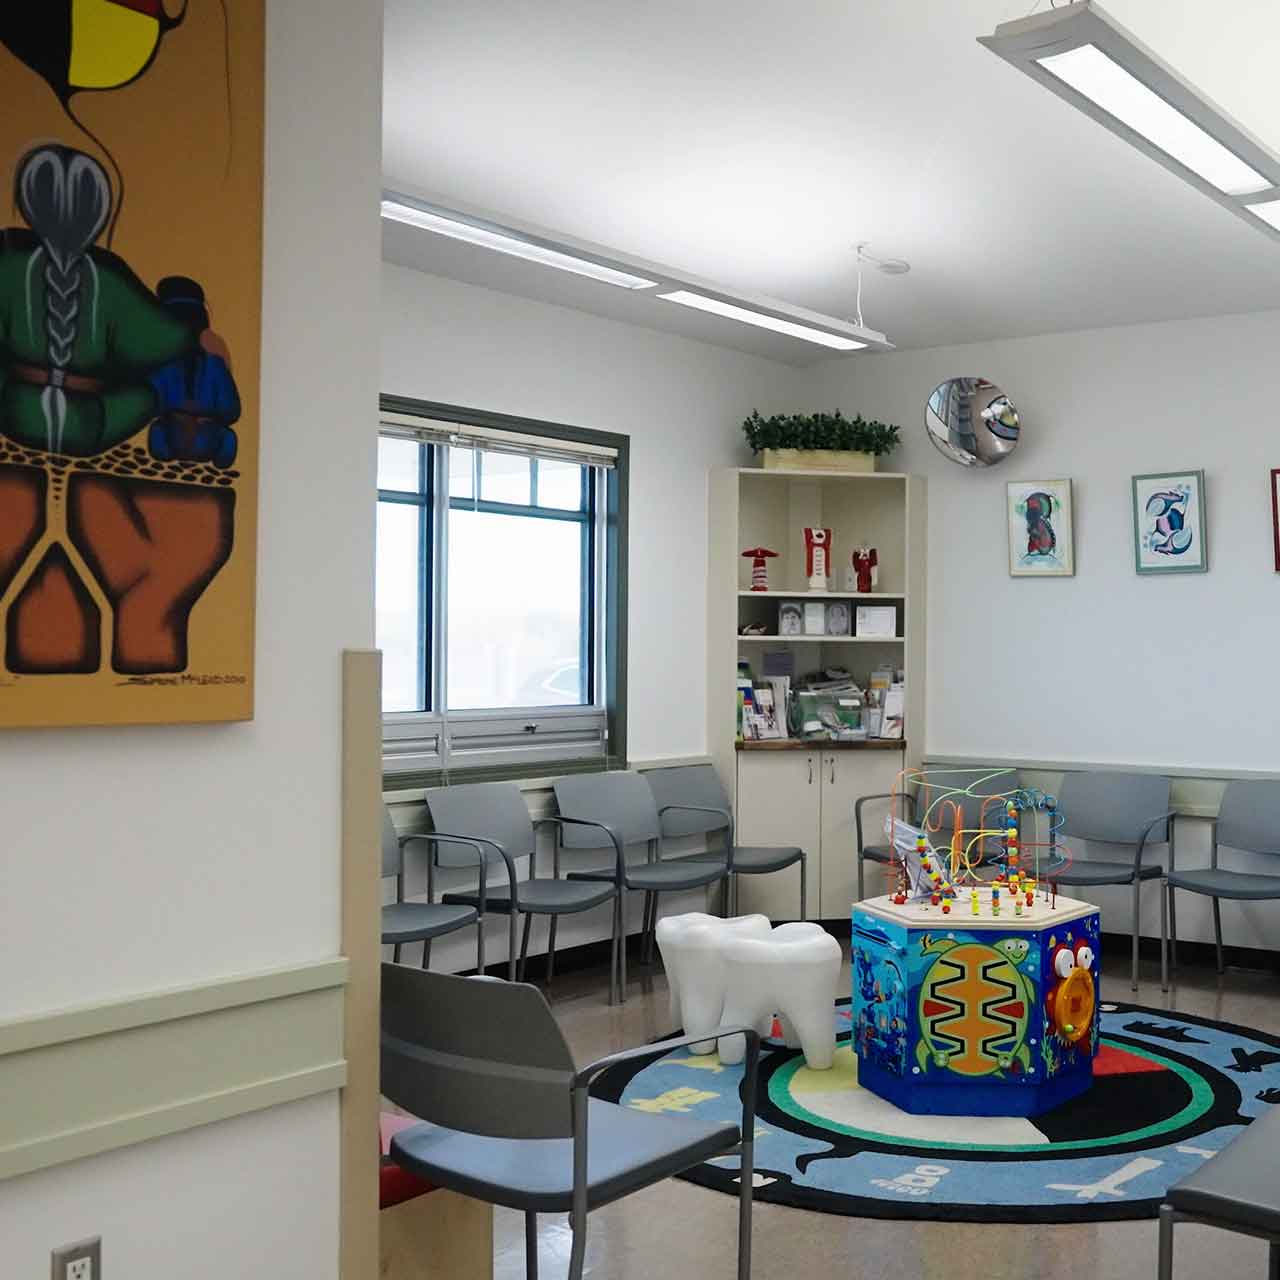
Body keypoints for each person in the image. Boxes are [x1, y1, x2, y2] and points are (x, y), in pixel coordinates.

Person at [147, 276, 241, 468]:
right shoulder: (215, 365)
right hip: (208, 442)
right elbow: (231, 410)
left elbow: (151, 403)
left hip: (173, 440)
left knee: (157, 430)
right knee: (228, 437)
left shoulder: (164, 365)